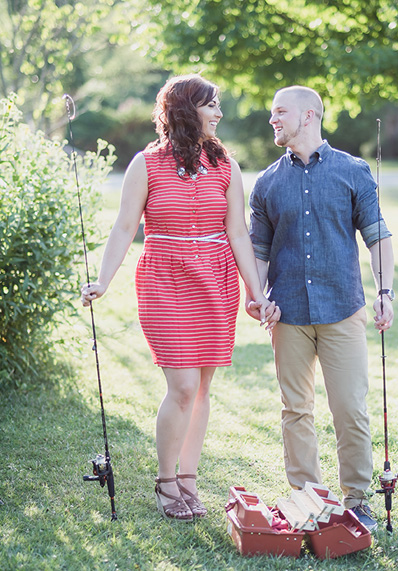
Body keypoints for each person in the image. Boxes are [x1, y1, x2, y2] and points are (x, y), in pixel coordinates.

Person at [80, 74, 279, 522]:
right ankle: (166, 481)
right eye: (212, 105)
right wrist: (103, 280)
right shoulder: (146, 163)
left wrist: (256, 292)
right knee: (183, 385)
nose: (219, 114)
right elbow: (124, 227)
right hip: (164, 279)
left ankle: (189, 480)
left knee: (203, 387)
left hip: (217, 279)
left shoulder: (226, 163)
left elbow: (237, 232)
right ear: (187, 109)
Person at [246, 86, 394, 532]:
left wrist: (385, 291)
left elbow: (378, 237)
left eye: (280, 113)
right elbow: (257, 250)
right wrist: (256, 296)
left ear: (308, 115)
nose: (272, 121)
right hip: (287, 314)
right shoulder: (267, 183)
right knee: (296, 410)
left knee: (350, 408)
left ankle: (358, 500)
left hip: (343, 310)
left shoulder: (353, 171)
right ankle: (307, 499)